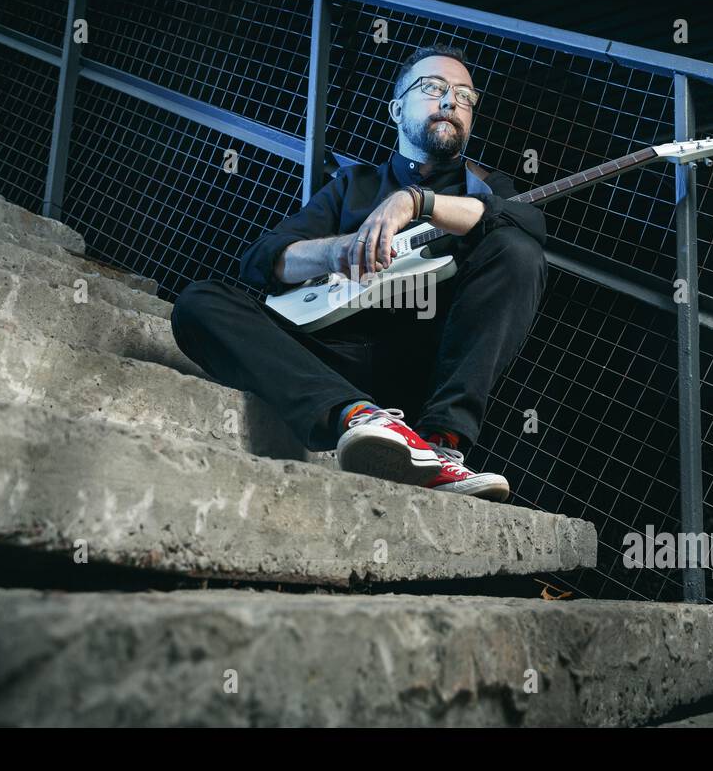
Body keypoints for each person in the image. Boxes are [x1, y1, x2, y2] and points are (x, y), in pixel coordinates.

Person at [170, 44, 547, 500]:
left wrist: (415, 200)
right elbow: (262, 260)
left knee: (518, 251)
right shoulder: (354, 184)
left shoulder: (485, 189)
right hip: (324, 355)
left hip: (416, 363)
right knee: (199, 303)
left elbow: (528, 223)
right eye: (434, 88)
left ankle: (441, 447)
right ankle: (359, 417)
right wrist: (337, 252)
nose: (452, 101)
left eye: (465, 96)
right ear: (396, 108)